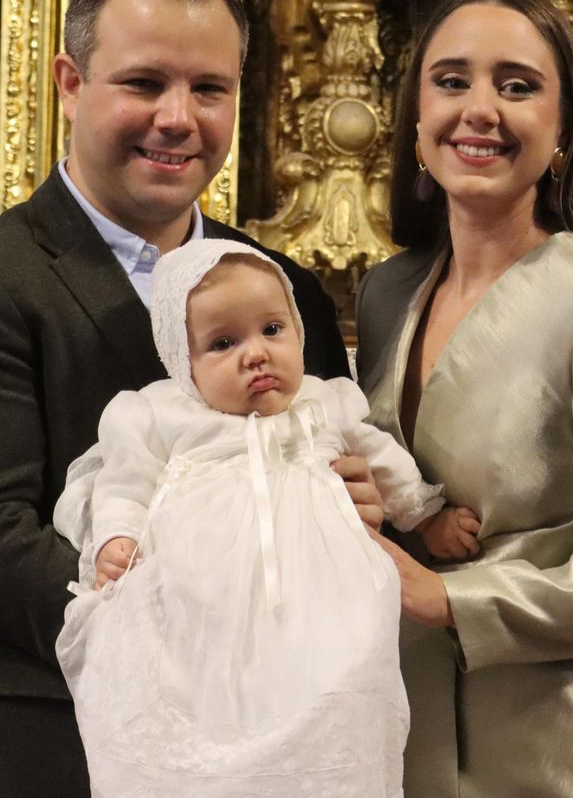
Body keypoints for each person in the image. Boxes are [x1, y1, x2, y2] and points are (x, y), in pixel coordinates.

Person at [0, 0, 360, 797]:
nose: (178, 117)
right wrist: (168, 630)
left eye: (209, 88)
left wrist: (352, 507)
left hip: (267, 753)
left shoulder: (285, 297)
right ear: (71, 83)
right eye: (144, 83)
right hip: (48, 749)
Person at [355, 0, 573, 797]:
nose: (480, 108)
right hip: (398, 736)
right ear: (416, 122)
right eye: (451, 81)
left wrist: (453, 599)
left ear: (563, 130)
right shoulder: (386, 295)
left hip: (553, 750)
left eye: (516, 86)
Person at [52, 238, 481, 796]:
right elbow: (125, 484)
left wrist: (426, 517)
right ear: (183, 364)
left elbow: (385, 463)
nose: (254, 354)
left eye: (272, 330)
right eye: (223, 343)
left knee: (336, 683)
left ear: (299, 332)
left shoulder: (327, 403)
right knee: (193, 697)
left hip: (319, 598)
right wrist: (117, 537)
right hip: (201, 604)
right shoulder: (161, 415)